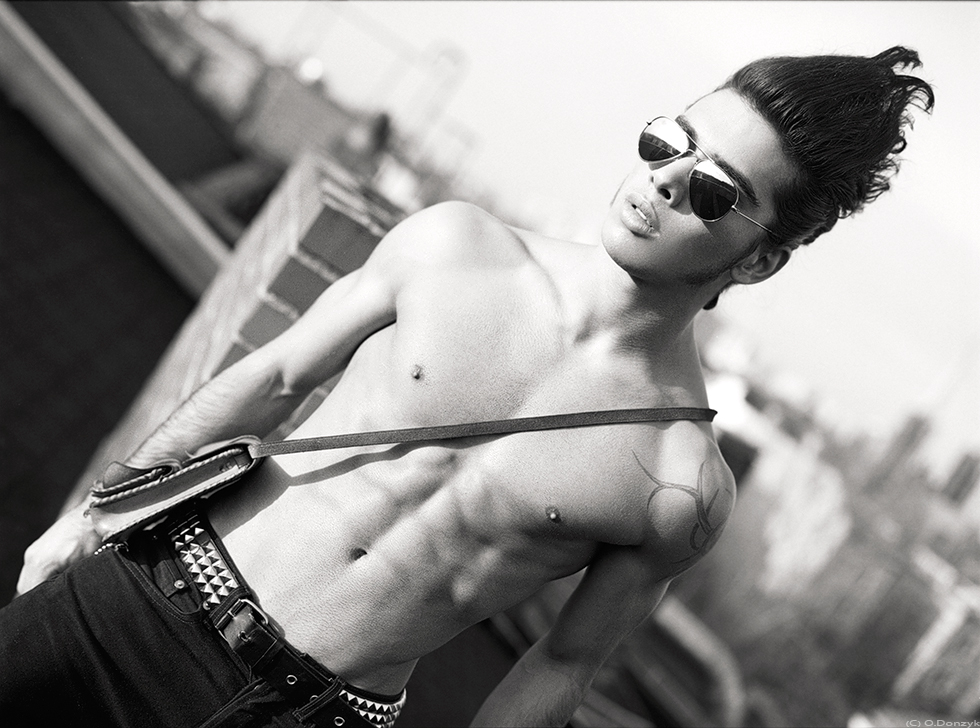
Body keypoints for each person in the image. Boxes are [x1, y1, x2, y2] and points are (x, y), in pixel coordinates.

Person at [4, 47, 933, 727]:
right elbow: (273, 376)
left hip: (299, 713)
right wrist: (93, 513)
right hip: (146, 596)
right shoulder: (455, 245)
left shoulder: (681, 482)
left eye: (714, 191)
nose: (664, 181)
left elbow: (561, 665)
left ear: (761, 260)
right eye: (667, 141)